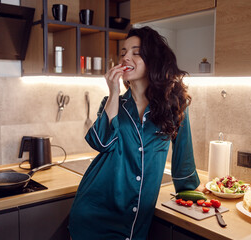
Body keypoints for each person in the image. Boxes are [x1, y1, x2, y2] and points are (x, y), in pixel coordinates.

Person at [69, 26, 202, 240]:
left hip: (135, 224)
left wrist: (189, 193)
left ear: (154, 59)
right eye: (123, 53)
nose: (125, 58)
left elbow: (183, 156)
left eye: (135, 52)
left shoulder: (173, 105)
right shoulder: (112, 103)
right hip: (93, 217)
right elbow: (101, 143)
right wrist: (113, 92)